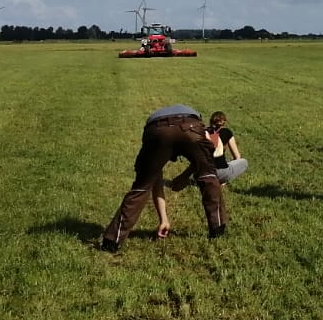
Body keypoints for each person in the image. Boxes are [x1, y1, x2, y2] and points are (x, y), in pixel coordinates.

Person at [101, 103, 225, 251]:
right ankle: (217, 230)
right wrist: (187, 175)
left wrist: (183, 178)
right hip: (190, 125)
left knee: (141, 187)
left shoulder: (154, 129)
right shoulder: (196, 122)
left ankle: (112, 242)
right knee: (209, 176)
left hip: (156, 130)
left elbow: (156, 181)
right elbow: (205, 159)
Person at [165, 111, 249, 192]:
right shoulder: (227, 132)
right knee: (243, 162)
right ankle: (222, 181)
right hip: (219, 172)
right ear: (224, 122)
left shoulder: (203, 132)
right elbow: (237, 156)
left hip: (201, 172)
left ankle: (181, 180)